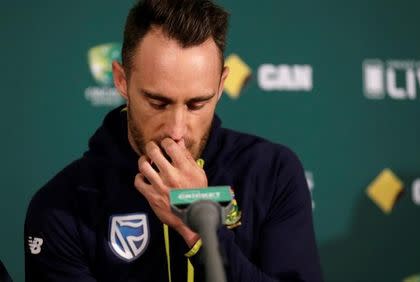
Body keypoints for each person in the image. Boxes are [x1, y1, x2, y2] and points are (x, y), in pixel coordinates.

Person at [24, 0, 323, 281]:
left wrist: (197, 229)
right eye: (157, 102)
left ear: (220, 86)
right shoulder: (61, 205)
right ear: (121, 80)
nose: (177, 131)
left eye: (196, 104)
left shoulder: (272, 172)